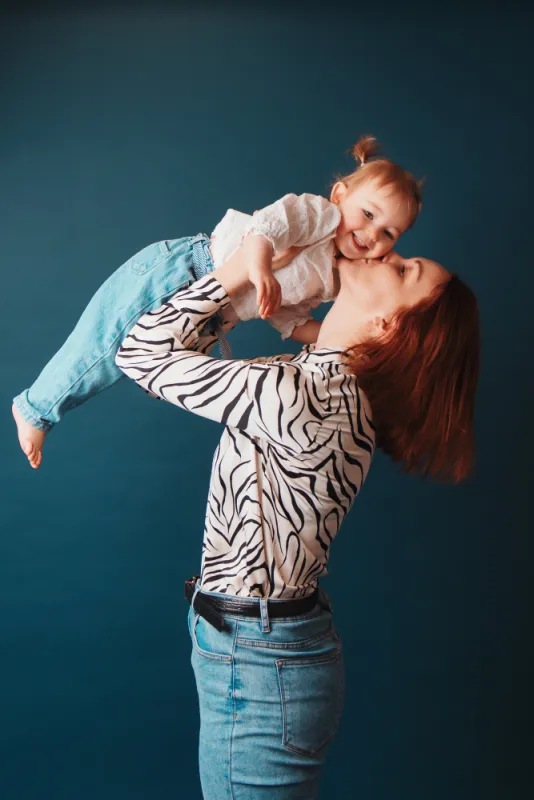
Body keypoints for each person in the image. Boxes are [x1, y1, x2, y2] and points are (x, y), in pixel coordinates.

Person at [114, 240, 480, 798]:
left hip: (259, 659)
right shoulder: (317, 381)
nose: (387, 251)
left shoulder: (301, 395)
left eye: (405, 270)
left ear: (389, 325)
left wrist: (238, 272)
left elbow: (140, 352)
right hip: (264, 650)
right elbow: (181, 354)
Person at [12, 135, 422, 469]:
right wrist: (259, 269)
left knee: (122, 364)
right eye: (369, 215)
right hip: (185, 271)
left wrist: (349, 341)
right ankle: (36, 408)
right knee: (103, 344)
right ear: (339, 194)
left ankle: (44, 406)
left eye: (389, 233)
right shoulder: (319, 216)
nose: (373, 235)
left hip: (207, 315)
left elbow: (292, 321)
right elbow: (265, 228)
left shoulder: (331, 279)